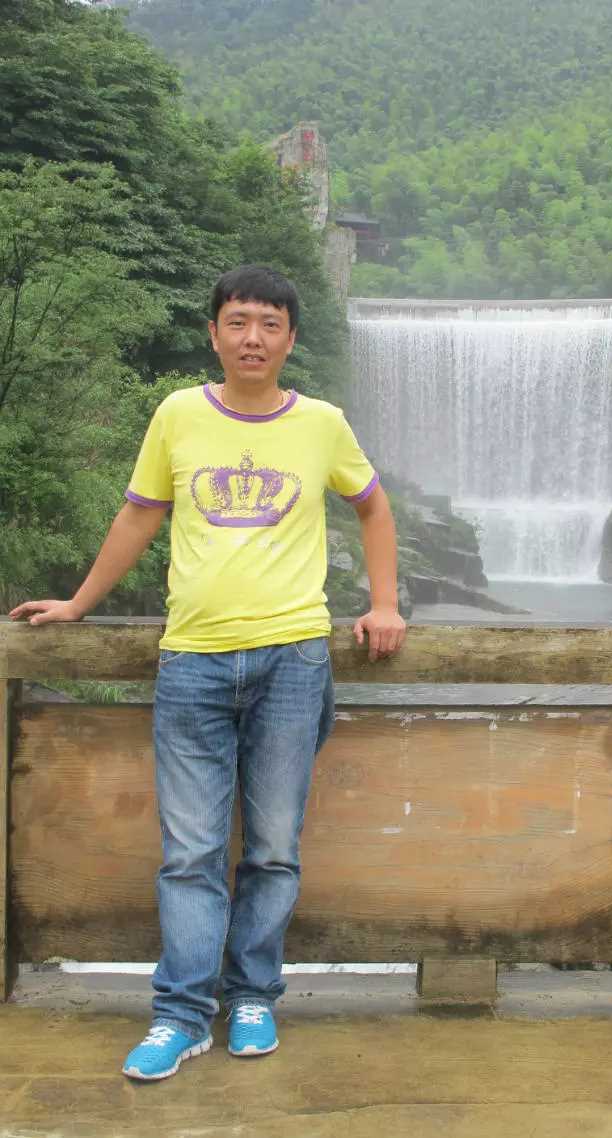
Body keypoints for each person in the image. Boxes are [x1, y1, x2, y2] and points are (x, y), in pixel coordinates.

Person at [9, 263, 406, 1080]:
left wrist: (385, 602)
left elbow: (371, 503)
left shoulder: (323, 423)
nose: (252, 338)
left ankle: (253, 996)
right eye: (238, 322)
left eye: (269, 324)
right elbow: (139, 514)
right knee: (190, 850)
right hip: (192, 659)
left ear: (290, 339)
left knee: (273, 846)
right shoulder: (178, 414)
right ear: (214, 333)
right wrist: (79, 603)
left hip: (293, 657)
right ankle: (181, 1014)